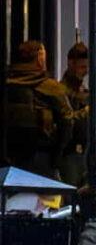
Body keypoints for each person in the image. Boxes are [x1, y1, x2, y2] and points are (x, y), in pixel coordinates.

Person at [5, 41, 75, 179]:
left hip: (8, 160)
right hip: (42, 159)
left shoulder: (7, 85)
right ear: (39, 59)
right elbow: (67, 122)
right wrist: (57, 156)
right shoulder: (50, 87)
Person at [59, 43, 91, 186]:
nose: (85, 72)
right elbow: (67, 120)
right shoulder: (61, 91)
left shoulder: (82, 90)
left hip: (83, 153)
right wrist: (87, 111)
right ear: (71, 64)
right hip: (69, 154)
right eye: (82, 67)